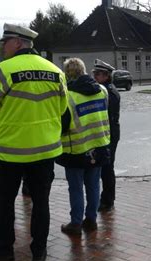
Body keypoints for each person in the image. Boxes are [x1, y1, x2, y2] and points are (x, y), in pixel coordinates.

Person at [0, 23, 68, 261]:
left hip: (12, 153)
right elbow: (61, 109)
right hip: (46, 151)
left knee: (6, 202)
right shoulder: (56, 71)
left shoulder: (1, 71)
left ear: (17, 42)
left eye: (5, 42)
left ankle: (5, 249)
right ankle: (39, 252)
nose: (2, 47)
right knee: (41, 203)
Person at [56, 58, 110, 236]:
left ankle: (76, 223)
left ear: (67, 75)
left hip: (76, 149)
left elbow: (63, 126)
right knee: (94, 185)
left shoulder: (68, 97)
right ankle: (92, 220)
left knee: (76, 188)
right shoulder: (102, 90)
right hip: (99, 145)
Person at [92, 59, 120, 212]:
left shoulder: (109, 92)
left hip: (109, 133)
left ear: (106, 76)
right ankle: (107, 198)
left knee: (107, 168)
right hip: (109, 132)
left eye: (98, 74)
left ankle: (108, 200)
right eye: (94, 73)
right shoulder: (107, 89)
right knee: (106, 167)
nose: (95, 76)